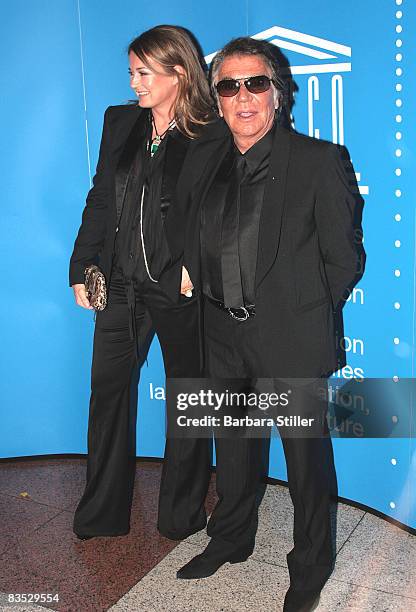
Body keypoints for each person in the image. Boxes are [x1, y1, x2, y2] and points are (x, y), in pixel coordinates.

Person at [173, 37, 365, 612]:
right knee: (233, 449)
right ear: (218, 98)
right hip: (221, 334)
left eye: (255, 83)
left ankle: (311, 564)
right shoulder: (206, 160)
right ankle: (230, 537)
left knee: (305, 461)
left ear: (277, 95)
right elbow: (190, 228)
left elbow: (345, 258)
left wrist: (299, 315)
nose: (243, 97)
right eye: (229, 87)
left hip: (289, 337)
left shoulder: (317, 161)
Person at [69, 25, 214, 540]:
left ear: (179, 73)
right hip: (120, 285)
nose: (134, 82)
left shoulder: (210, 131)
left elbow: (219, 213)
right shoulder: (120, 123)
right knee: (107, 396)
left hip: (178, 289)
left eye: (144, 72)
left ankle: (181, 515)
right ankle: (101, 514)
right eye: (131, 72)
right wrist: (81, 264)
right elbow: (101, 199)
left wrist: (199, 268)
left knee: (188, 400)